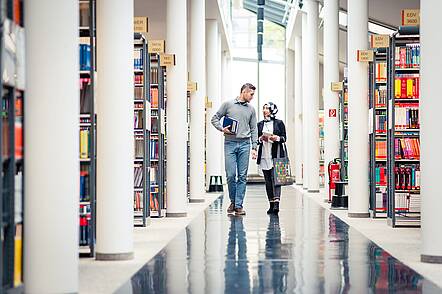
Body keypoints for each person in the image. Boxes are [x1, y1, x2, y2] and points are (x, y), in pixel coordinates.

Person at [211, 83, 258, 216]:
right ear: (244, 92)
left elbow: (254, 128)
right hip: (230, 143)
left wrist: (254, 146)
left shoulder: (251, 109)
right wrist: (222, 128)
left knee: (242, 176)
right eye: (251, 94)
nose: (252, 97)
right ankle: (233, 201)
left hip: (245, 144)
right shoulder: (228, 104)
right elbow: (214, 119)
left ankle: (238, 205)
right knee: (231, 175)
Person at [256, 102, 287, 214]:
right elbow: (256, 139)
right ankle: (271, 203)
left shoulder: (279, 123)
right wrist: (260, 139)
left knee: (276, 180)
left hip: (276, 155)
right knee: (268, 181)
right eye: (263, 108)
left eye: (267, 108)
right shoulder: (259, 124)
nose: (265, 110)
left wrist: (276, 138)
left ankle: (277, 204)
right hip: (264, 155)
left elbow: (284, 138)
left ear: (272, 110)